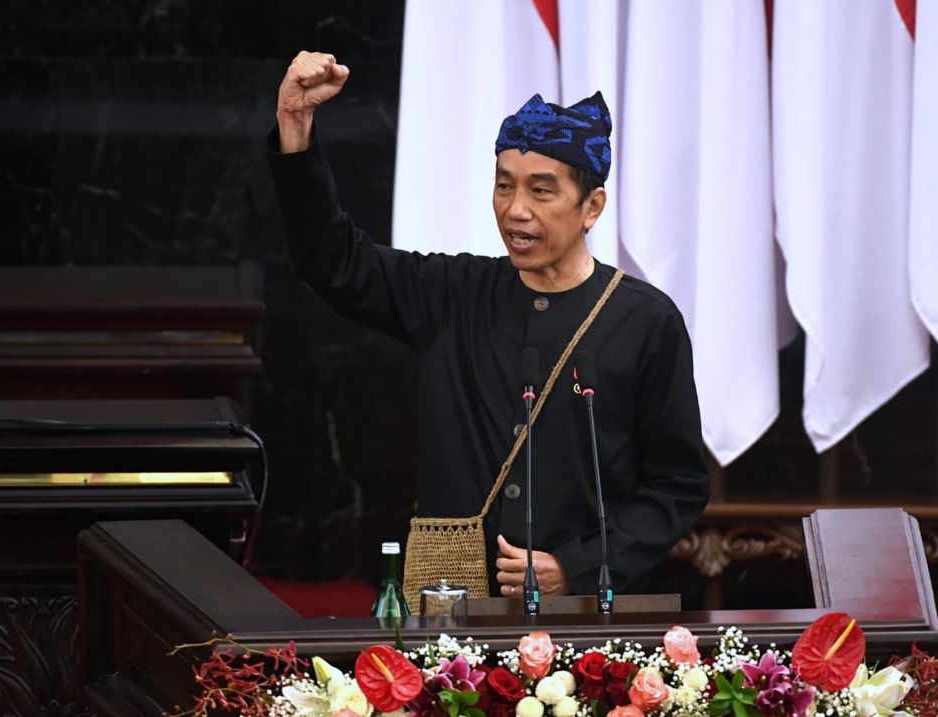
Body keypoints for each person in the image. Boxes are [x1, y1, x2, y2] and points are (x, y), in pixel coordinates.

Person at [268, 51, 709, 598]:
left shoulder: (645, 320)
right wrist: (295, 124)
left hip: (586, 624)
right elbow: (333, 261)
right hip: (452, 613)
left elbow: (677, 485)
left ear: (591, 207)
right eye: (505, 186)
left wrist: (576, 564)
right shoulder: (450, 294)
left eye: (540, 191)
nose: (516, 209)